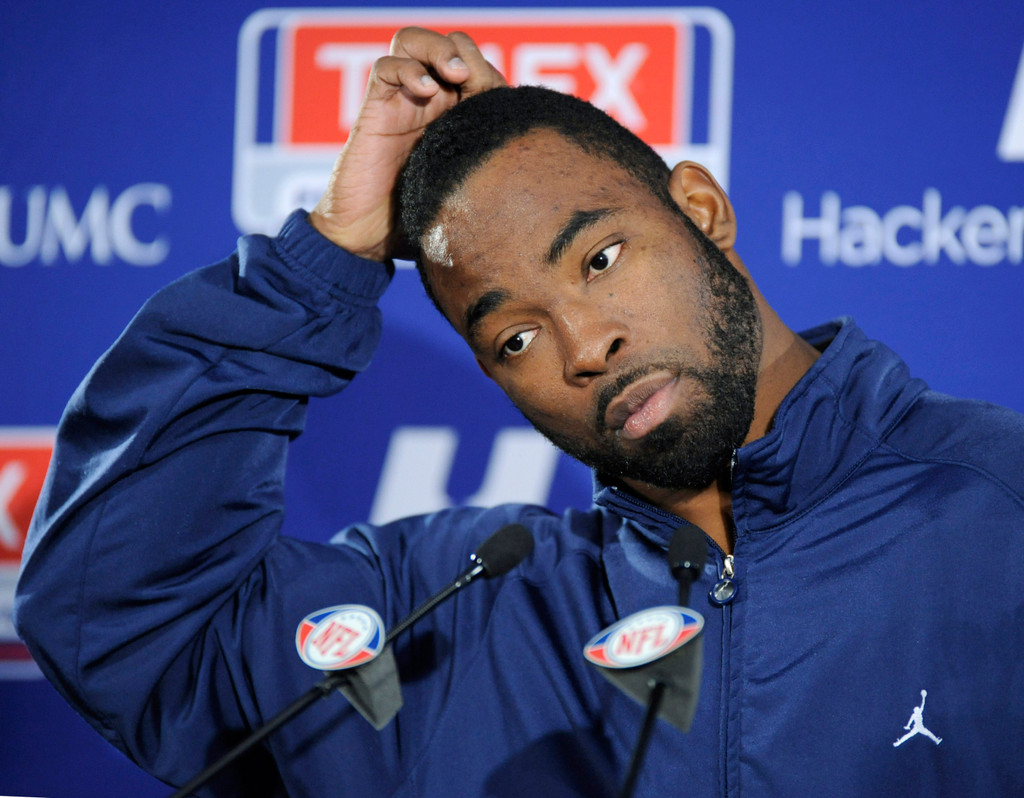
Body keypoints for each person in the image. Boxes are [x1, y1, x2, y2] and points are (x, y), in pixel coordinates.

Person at [14, 27, 1024, 797]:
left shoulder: (999, 508)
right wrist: (321, 263)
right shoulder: (451, 621)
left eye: (600, 258)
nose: (584, 346)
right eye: (514, 339)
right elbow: (125, 620)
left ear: (702, 211)